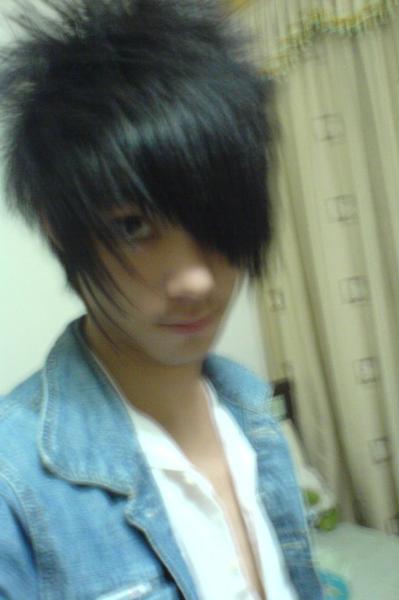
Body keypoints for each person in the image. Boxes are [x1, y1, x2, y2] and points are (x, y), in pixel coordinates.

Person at [0, 1, 324, 598]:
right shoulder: (12, 488)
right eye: (133, 226)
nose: (195, 281)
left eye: (216, 219)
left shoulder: (254, 413)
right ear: (60, 229)